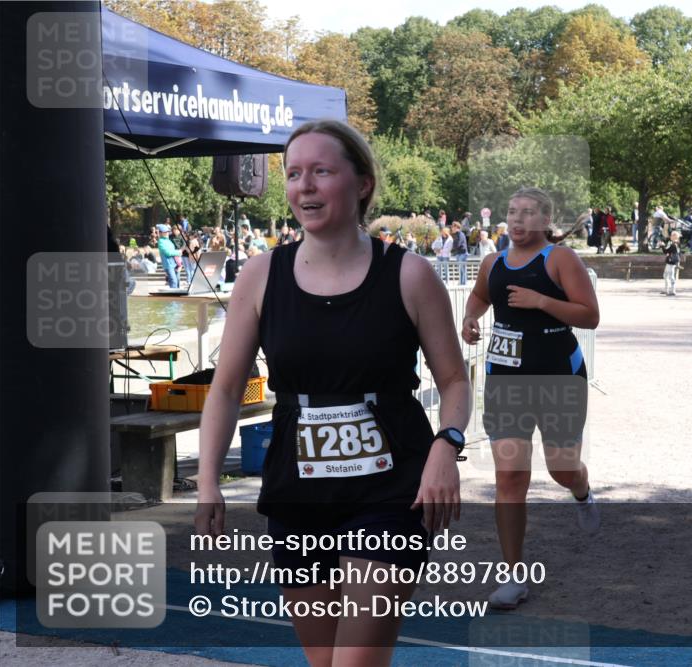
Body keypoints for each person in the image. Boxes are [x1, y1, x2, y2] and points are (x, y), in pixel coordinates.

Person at [194, 119, 470, 665]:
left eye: (321, 171)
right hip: (299, 491)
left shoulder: (409, 275)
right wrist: (208, 483)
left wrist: (447, 445)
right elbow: (225, 389)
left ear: (362, 182)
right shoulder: (260, 274)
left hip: (391, 491)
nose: (305, 187)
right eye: (294, 174)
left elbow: (456, 382)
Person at [461, 187, 600, 610]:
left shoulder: (560, 260)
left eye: (527, 214)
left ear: (545, 221)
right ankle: (513, 575)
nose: (517, 221)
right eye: (512, 212)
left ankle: (581, 490)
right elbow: (481, 297)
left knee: (562, 468)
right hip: (505, 380)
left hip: (558, 377)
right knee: (510, 477)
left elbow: (590, 316)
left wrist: (541, 300)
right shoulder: (493, 262)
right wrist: (469, 319)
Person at [155, 223, 181, 288]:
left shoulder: (168, 240)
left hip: (175, 263)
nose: (167, 233)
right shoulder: (161, 241)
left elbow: (172, 250)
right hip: (168, 265)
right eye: (165, 232)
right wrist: (178, 252)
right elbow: (168, 252)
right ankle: (173, 296)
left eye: (167, 232)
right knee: (173, 281)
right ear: (160, 233)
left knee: (177, 281)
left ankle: (177, 295)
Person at [662, 231, 681, 296]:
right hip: (670, 262)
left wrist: (662, 246)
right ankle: (667, 289)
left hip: (671, 262)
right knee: (666, 275)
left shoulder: (674, 244)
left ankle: (672, 290)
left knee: (670, 276)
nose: (671, 236)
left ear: (675, 236)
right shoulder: (674, 243)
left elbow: (666, 251)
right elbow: (667, 251)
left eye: (672, 235)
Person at [450, 220, 469, 286]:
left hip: (462, 254)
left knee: (463, 269)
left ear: (456, 227)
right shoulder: (456, 235)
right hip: (459, 253)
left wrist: (452, 248)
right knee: (460, 269)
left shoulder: (460, 234)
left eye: (452, 227)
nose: (451, 228)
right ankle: (461, 282)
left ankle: (464, 282)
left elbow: (458, 244)